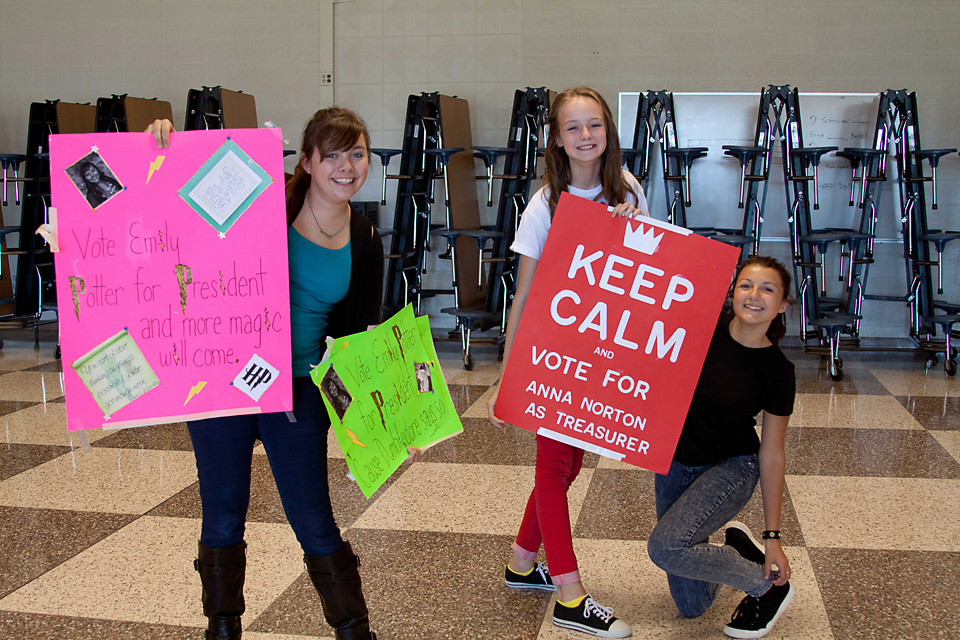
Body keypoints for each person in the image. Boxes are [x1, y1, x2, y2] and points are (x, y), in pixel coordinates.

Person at [147, 108, 409, 640]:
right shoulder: (262, 206)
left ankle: (354, 630)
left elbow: (359, 340)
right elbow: (176, 218)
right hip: (223, 382)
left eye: (356, 153)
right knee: (222, 514)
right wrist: (162, 148)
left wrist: (395, 423)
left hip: (296, 390)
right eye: (331, 154)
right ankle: (222, 628)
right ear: (307, 161)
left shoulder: (365, 239)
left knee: (313, 519)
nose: (346, 166)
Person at [487, 86, 649, 639]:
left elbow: (642, 284)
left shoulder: (627, 190)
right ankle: (570, 594)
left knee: (571, 464)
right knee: (555, 469)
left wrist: (634, 230)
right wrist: (510, 369)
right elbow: (525, 293)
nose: (585, 136)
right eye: (573, 127)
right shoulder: (545, 203)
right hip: (554, 356)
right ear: (556, 138)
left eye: (594, 125)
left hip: (603, 357)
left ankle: (521, 560)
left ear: (608, 131)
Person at [646, 255, 796, 639]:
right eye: (745, 285)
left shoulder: (778, 371)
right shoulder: (699, 331)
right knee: (692, 606)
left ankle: (767, 588)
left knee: (666, 548)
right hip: (676, 463)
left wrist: (774, 537)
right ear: (732, 294)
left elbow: (773, 452)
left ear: (782, 305)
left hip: (732, 466)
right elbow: (643, 300)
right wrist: (628, 220)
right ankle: (738, 550)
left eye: (767, 288)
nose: (754, 295)